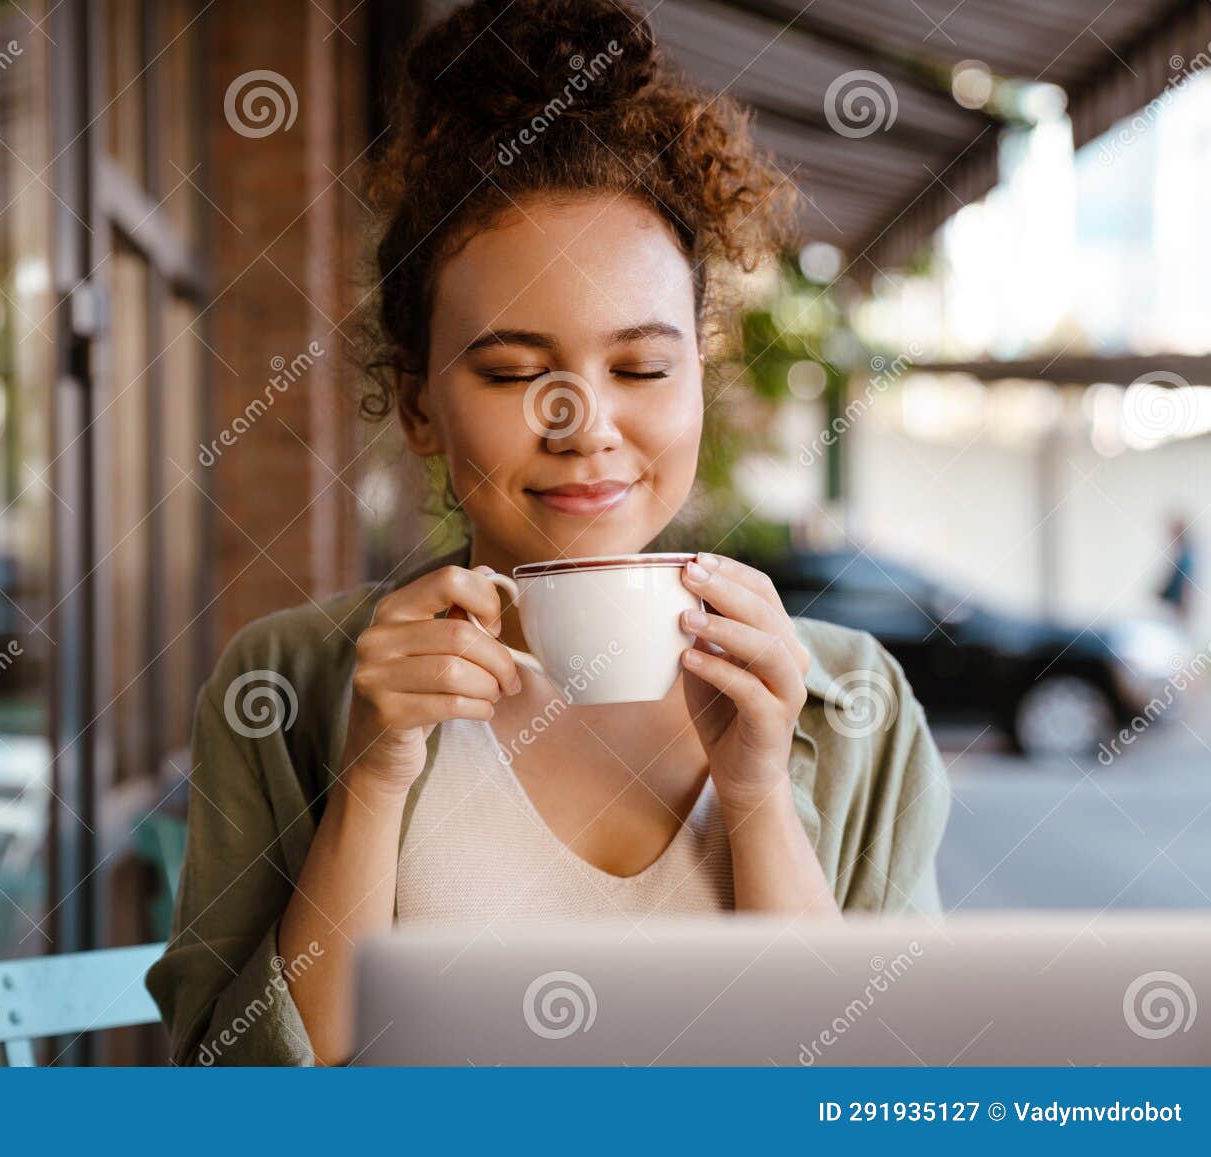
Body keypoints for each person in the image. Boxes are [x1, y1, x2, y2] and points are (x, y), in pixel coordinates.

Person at [147, 0, 950, 1066]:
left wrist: (755, 795)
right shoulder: (284, 689)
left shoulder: (854, 707)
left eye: (642, 368)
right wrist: (373, 779)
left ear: (699, 386)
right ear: (420, 402)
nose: (584, 426)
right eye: (515, 372)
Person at [1158, 515, 1196, 628]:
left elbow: (1186, 585)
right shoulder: (1181, 555)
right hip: (1173, 609)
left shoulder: (1186, 557)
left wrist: (1183, 611)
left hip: (1178, 613)